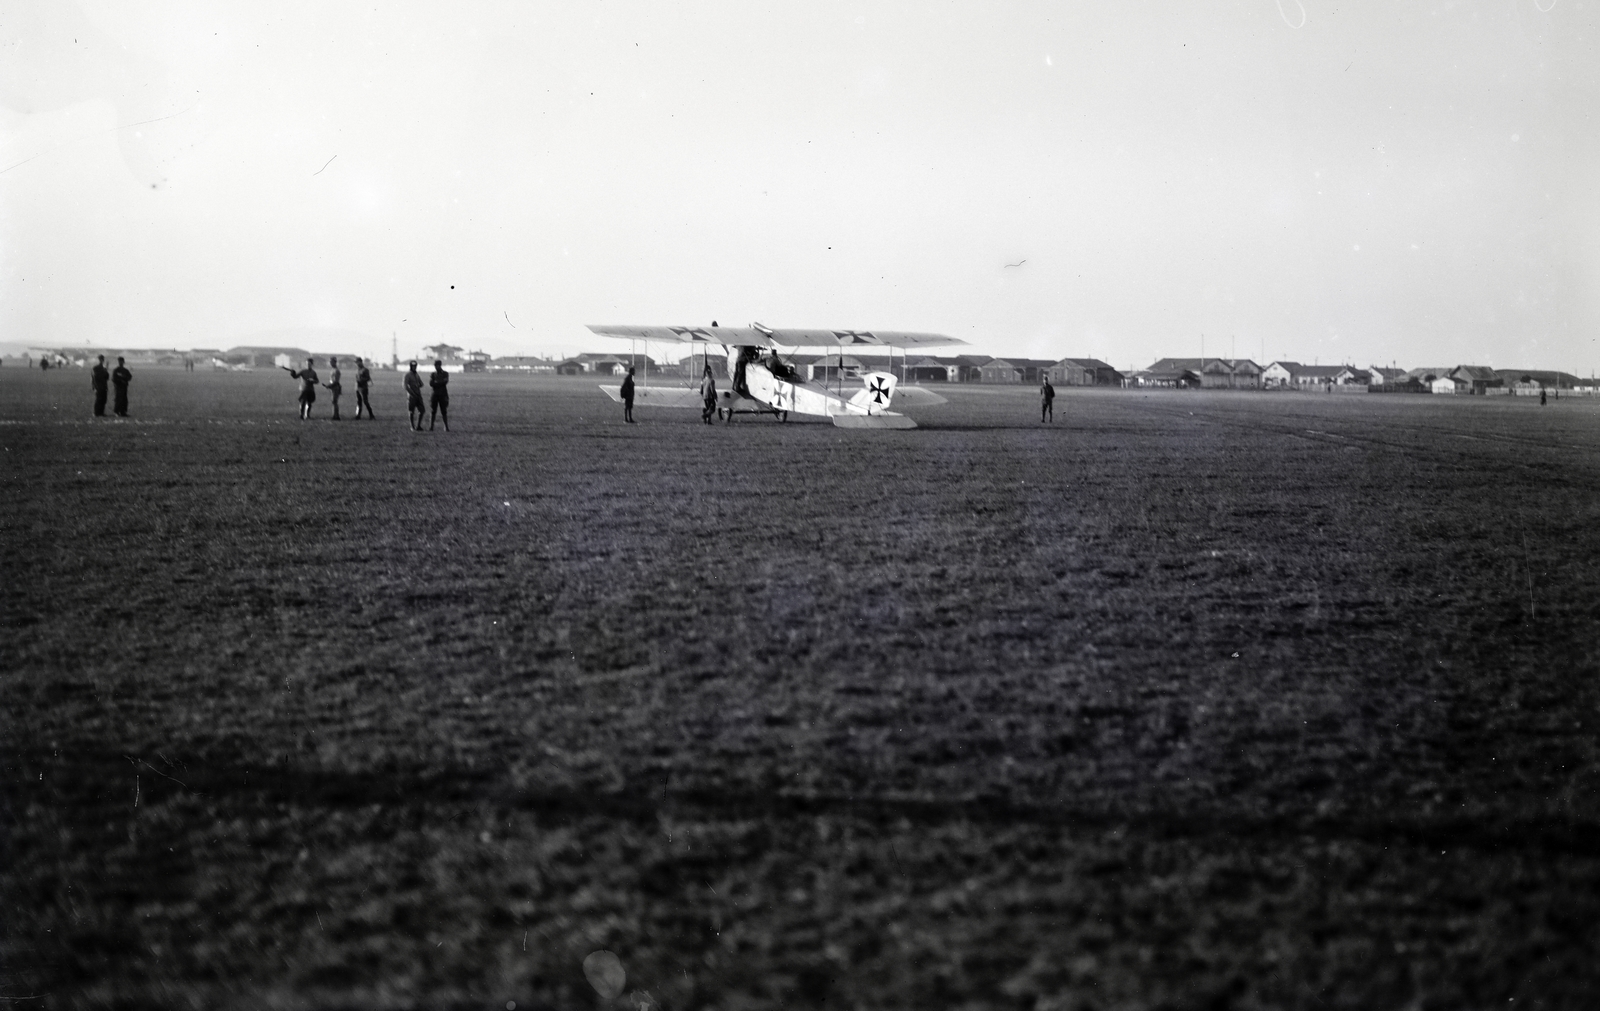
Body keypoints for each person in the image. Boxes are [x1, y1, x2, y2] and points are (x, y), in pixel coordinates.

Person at [428, 359, 450, 431]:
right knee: (433, 411)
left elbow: (445, 382)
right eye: (435, 365)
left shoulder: (445, 373)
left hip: (442, 394)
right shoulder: (433, 374)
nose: (436, 367)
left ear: (440, 365)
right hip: (434, 395)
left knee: (444, 411)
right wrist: (440, 382)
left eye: (437, 365)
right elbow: (431, 383)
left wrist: (436, 382)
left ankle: (446, 427)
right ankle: (431, 427)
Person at [404, 361, 425, 430]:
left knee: (422, 410)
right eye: (413, 366)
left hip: (418, 395)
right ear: (410, 366)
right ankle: (412, 426)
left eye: (415, 366)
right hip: (412, 396)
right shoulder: (407, 375)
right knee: (411, 411)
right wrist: (412, 393)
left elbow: (421, 383)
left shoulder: (416, 374)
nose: (414, 367)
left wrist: (419, 385)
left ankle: (418, 426)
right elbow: (405, 386)